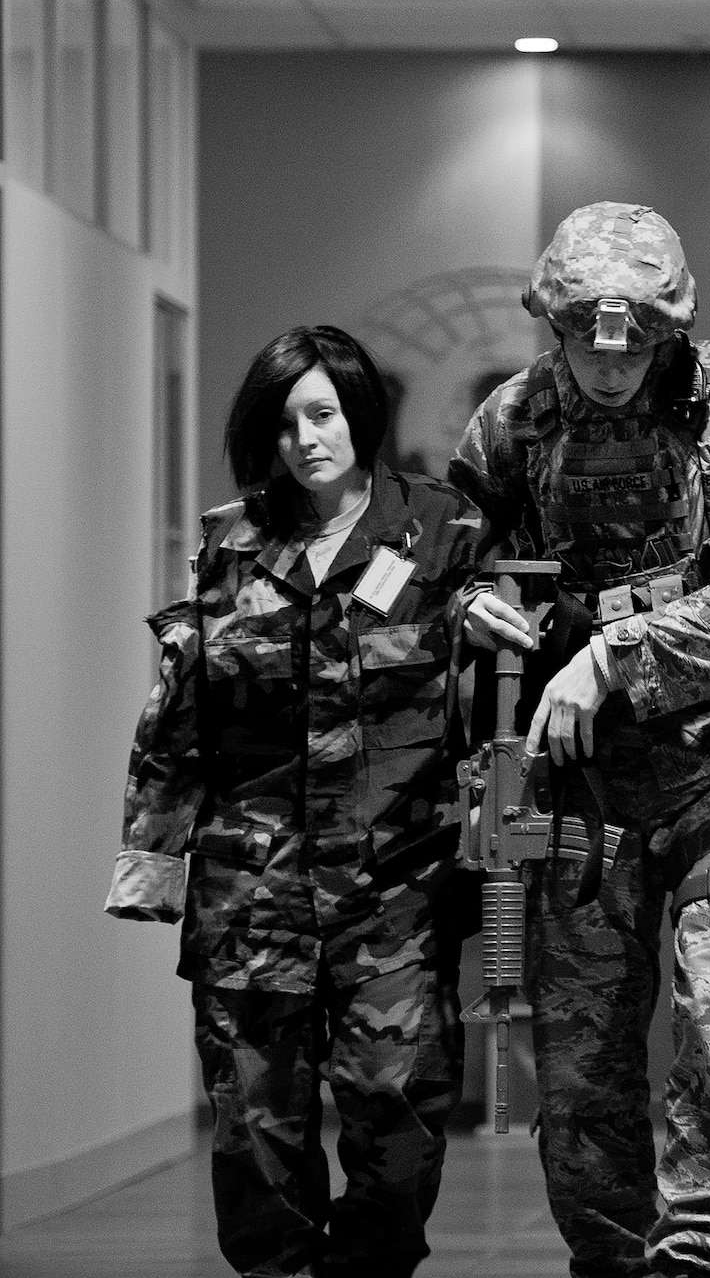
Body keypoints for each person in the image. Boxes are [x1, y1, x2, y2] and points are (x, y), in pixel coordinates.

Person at [449, 201, 710, 1278]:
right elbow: (445, 560)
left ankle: (698, 1258)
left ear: (671, 328)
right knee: (582, 1052)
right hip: (580, 777)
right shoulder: (512, 423)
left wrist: (614, 654)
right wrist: (471, 604)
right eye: (586, 342)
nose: (610, 367)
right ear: (551, 323)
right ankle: (607, 1260)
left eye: (636, 344)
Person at [105, 326, 484, 1278]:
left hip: (395, 893)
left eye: (323, 414)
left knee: (400, 1121)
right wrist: (152, 857)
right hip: (252, 893)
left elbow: (502, 686)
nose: (305, 439)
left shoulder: (441, 529)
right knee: (255, 1137)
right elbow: (179, 714)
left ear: (361, 411)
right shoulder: (229, 542)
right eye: (283, 423)